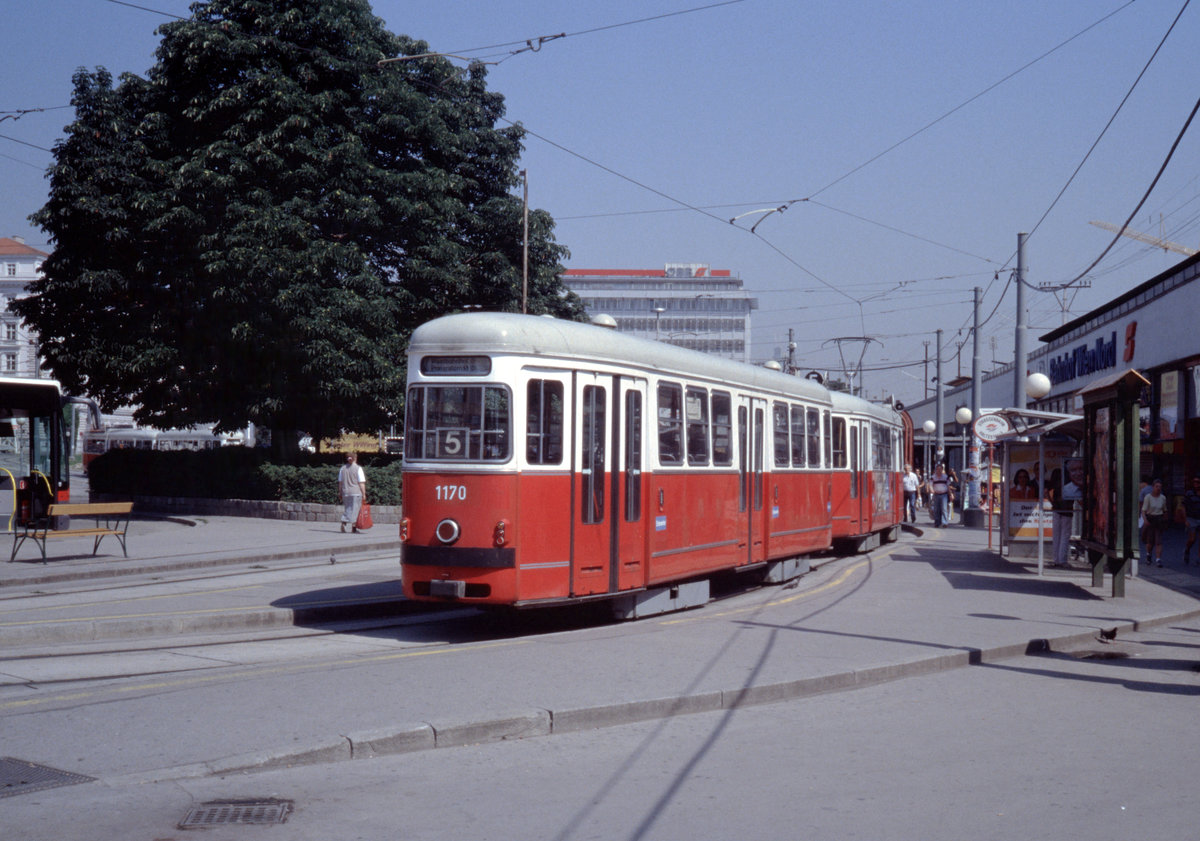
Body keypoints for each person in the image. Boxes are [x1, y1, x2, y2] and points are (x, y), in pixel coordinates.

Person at [1045, 468, 1073, 568]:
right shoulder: (1070, 477)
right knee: (1065, 535)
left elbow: (1046, 491)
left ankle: (1056, 559)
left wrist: (1053, 503)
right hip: (1067, 509)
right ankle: (1062, 560)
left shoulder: (1055, 475)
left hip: (1056, 509)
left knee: (1056, 535)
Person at [337, 452, 367, 533]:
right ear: (355, 458)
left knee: (348, 509)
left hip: (345, 492)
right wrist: (364, 494)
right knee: (355, 510)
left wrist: (340, 493)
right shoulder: (358, 468)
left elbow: (340, 482)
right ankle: (349, 525)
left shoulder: (342, 469)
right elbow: (361, 483)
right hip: (356, 492)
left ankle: (346, 524)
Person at [1140, 479, 1167, 567]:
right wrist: (1145, 520)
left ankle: (1158, 559)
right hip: (1150, 518)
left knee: (1158, 540)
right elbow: (1143, 510)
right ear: (1153, 487)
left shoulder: (1163, 498)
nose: (1158, 488)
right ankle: (1148, 554)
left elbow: (1164, 510)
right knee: (1150, 540)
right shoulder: (1148, 497)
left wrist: (1165, 521)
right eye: (1156, 487)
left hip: (1158, 519)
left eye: (1160, 487)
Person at [1182, 477, 1200, 565]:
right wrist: (1185, 519)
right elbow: (1184, 506)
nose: (1196, 483)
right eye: (1195, 482)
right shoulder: (1189, 493)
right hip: (1191, 518)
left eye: (1198, 482)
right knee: (1192, 539)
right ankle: (1187, 549)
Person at [929, 462, 950, 527]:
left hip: (944, 494)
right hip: (936, 494)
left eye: (940, 469)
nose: (939, 471)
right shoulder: (933, 477)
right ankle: (937, 522)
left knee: (944, 509)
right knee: (936, 509)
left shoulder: (945, 477)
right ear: (936, 470)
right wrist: (931, 490)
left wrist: (951, 494)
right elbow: (930, 485)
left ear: (942, 470)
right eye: (937, 469)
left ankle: (944, 523)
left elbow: (948, 486)